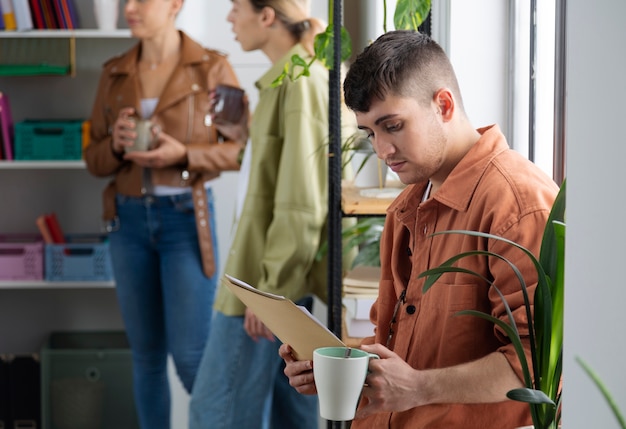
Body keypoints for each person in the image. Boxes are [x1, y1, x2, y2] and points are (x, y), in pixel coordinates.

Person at [279, 30, 560, 428]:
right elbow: (399, 343)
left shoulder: (518, 204)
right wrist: (333, 366)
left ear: (443, 105)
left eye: (392, 125)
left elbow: (540, 365)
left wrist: (419, 387)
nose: (381, 150)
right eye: (370, 133)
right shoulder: (407, 206)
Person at [187, 0, 351, 428]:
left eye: (236, 8)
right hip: (267, 280)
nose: (228, 18)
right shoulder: (288, 80)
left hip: (260, 285)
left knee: (214, 412)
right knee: (290, 412)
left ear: (266, 16)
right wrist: (246, 136)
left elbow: (302, 203)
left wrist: (270, 292)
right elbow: (282, 180)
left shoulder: (300, 82)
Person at [84, 1, 244, 428]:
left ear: (176, 4)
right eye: (125, 1)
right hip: (127, 221)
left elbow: (239, 149)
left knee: (192, 359)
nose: (129, 8)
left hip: (185, 221)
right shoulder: (114, 73)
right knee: (146, 357)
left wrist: (184, 154)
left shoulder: (213, 67)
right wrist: (116, 145)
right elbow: (94, 160)